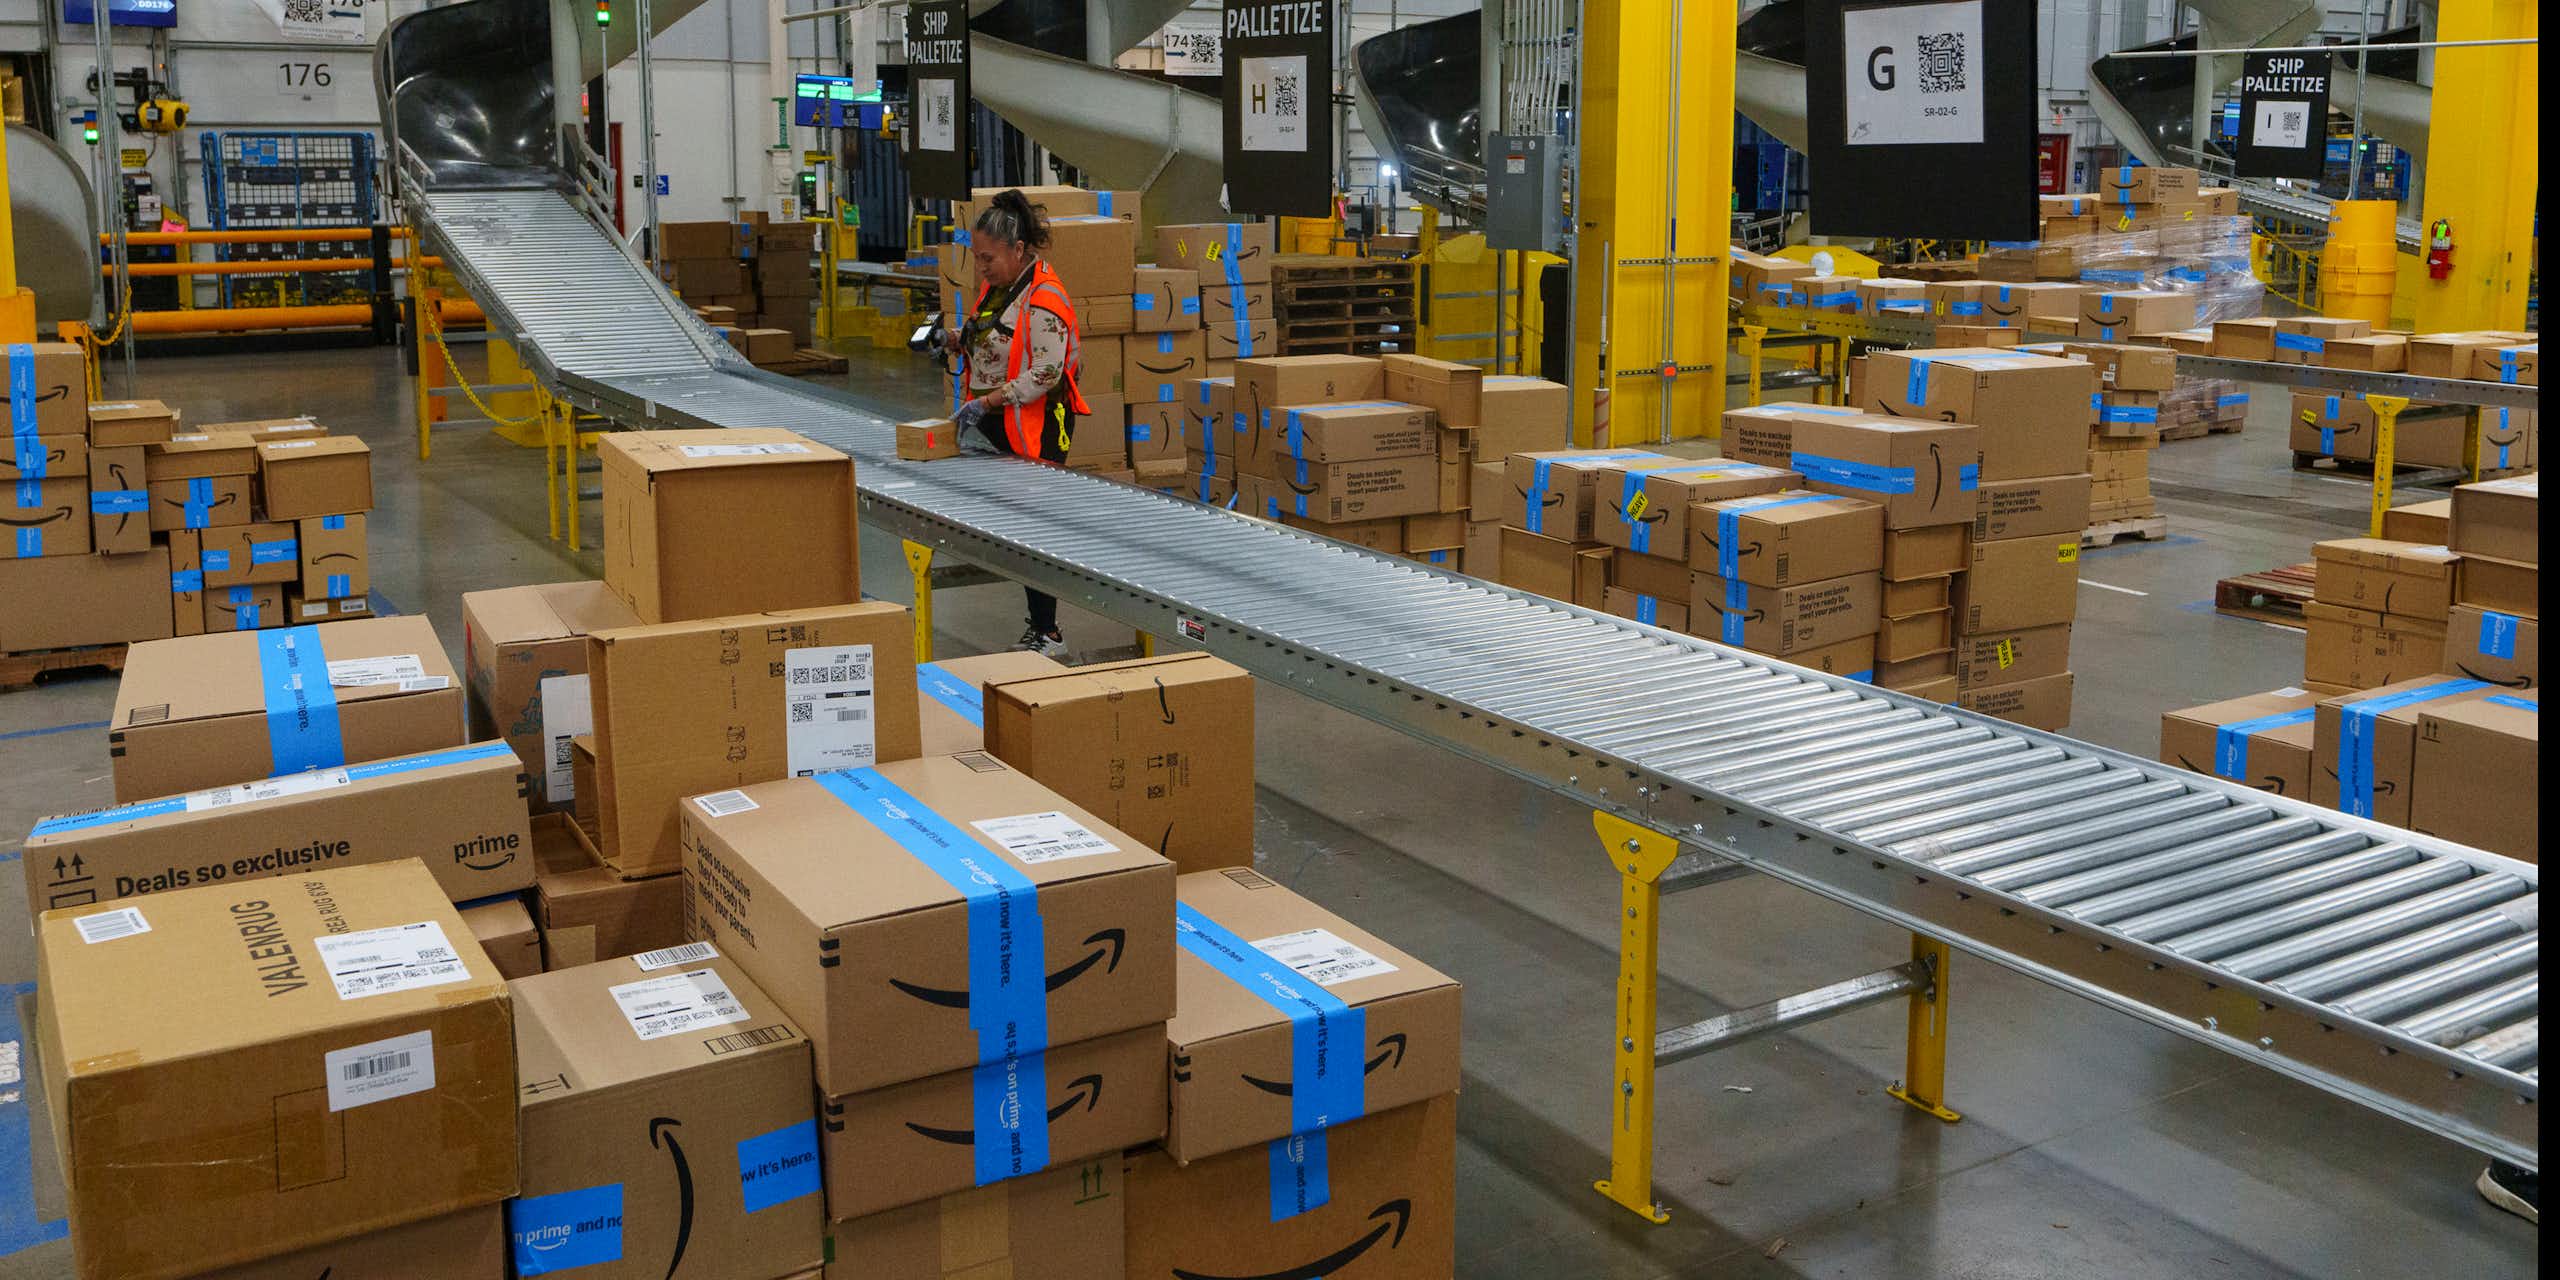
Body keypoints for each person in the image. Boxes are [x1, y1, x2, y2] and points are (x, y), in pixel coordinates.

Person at [945, 188, 1090, 657]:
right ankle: (1040, 626)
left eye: (987, 258)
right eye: (977, 258)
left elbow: (1047, 372)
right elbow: (995, 338)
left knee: (1034, 529)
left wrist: (990, 401)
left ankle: (1049, 633)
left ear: (1018, 249)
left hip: (1037, 424)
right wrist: (954, 339)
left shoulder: (1044, 297)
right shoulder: (1003, 287)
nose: (980, 268)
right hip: (1000, 418)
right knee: (1016, 527)